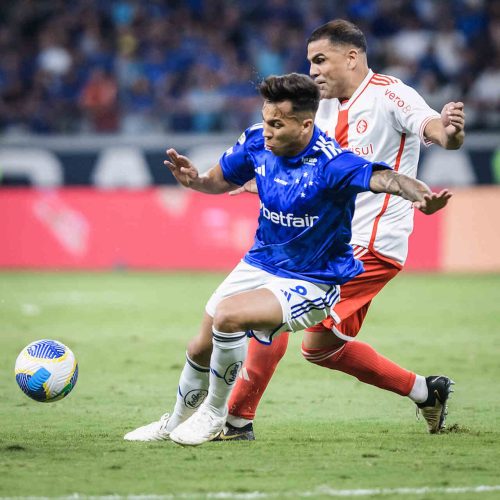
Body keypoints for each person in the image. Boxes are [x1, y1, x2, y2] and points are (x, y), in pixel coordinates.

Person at [124, 72, 451, 446]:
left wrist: (421, 195)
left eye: (276, 124)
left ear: (305, 124)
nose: (266, 130)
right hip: (260, 262)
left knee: (230, 317)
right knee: (201, 344)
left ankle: (217, 415)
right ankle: (174, 423)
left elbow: (388, 179)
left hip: (312, 279)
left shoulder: (332, 163)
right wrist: (195, 180)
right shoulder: (255, 142)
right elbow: (218, 180)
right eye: (265, 120)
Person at [217, 19, 465, 441]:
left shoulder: (391, 95)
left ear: (351, 57)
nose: (312, 71)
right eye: (309, 61)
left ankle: (236, 420)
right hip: (326, 243)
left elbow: (436, 130)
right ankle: (427, 391)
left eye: (320, 60)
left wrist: (450, 131)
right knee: (321, 348)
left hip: (371, 244)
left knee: (272, 313)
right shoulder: (317, 108)